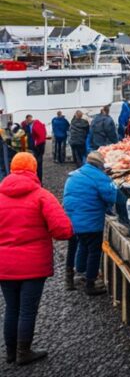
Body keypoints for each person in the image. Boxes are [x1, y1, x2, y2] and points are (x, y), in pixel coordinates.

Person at [0, 152, 74, 365]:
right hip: (33, 266)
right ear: (33, 169)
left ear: (13, 168)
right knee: (27, 310)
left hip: (4, 265)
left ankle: (10, 353)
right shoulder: (42, 196)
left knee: (11, 308)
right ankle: (24, 351)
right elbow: (63, 230)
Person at [62, 152, 116, 296]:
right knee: (94, 251)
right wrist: (110, 181)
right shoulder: (99, 177)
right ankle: (90, 283)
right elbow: (112, 195)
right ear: (100, 165)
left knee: (82, 244)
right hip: (91, 221)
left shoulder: (74, 174)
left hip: (72, 219)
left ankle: (79, 272)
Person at [21, 116, 45, 180]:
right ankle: (36, 179)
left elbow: (40, 137)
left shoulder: (36, 125)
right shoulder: (29, 126)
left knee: (38, 165)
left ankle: (38, 180)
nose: (27, 122)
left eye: (28, 120)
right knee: (34, 165)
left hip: (38, 147)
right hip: (33, 147)